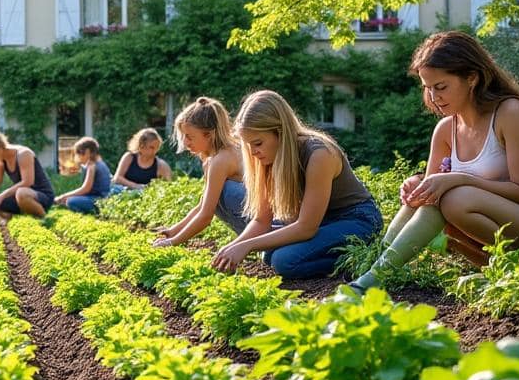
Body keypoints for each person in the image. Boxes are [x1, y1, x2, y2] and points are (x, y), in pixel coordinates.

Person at [350, 32, 519, 292]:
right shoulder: (444, 130)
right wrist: (416, 185)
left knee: (454, 198)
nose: (433, 97)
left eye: (440, 87)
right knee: (437, 197)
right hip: (490, 229)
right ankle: (373, 269)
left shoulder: (510, 112)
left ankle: (373, 280)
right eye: (427, 88)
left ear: (472, 78)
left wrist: (459, 178)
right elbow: (432, 195)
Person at [211, 90, 382, 278]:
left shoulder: (319, 154)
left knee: (284, 261)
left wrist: (247, 245)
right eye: (248, 145)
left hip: (356, 219)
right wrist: (234, 246)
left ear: (280, 132)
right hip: (323, 222)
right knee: (268, 254)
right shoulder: (268, 158)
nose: (252, 152)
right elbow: (262, 220)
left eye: (258, 143)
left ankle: (364, 257)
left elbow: (306, 228)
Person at [154, 97, 246, 247]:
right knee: (216, 195)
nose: (185, 142)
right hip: (257, 219)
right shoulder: (212, 159)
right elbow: (202, 206)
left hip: (269, 222)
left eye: (189, 137)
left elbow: (206, 216)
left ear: (209, 134)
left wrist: (172, 242)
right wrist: (172, 231)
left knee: (225, 191)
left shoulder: (221, 160)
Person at [0, 128, 55, 218]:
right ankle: (25, 217)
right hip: (21, 196)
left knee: (21, 193)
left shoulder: (23, 154)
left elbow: (27, 182)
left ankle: (44, 218)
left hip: (42, 195)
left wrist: (2, 196)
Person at [54, 137, 112, 214]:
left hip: (99, 200)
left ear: (87, 152)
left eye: (79, 152)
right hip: (103, 198)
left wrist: (63, 196)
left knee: (71, 201)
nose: (78, 156)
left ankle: (93, 211)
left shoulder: (92, 166)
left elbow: (85, 189)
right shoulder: (100, 163)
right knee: (71, 198)